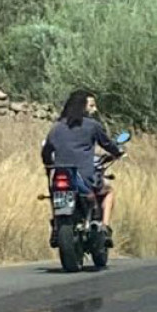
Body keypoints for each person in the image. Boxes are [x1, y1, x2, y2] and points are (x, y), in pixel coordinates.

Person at [41, 89, 123, 244]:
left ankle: (57, 226)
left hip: (60, 177)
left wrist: (48, 164)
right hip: (85, 177)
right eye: (91, 105)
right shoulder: (93, 126)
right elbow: (107, 144)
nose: (95, 109)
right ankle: (104, 228)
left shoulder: (56, 127)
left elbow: (46, 152)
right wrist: (117, 152)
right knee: (108, 191)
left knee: (54, 196)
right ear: (82, 106)